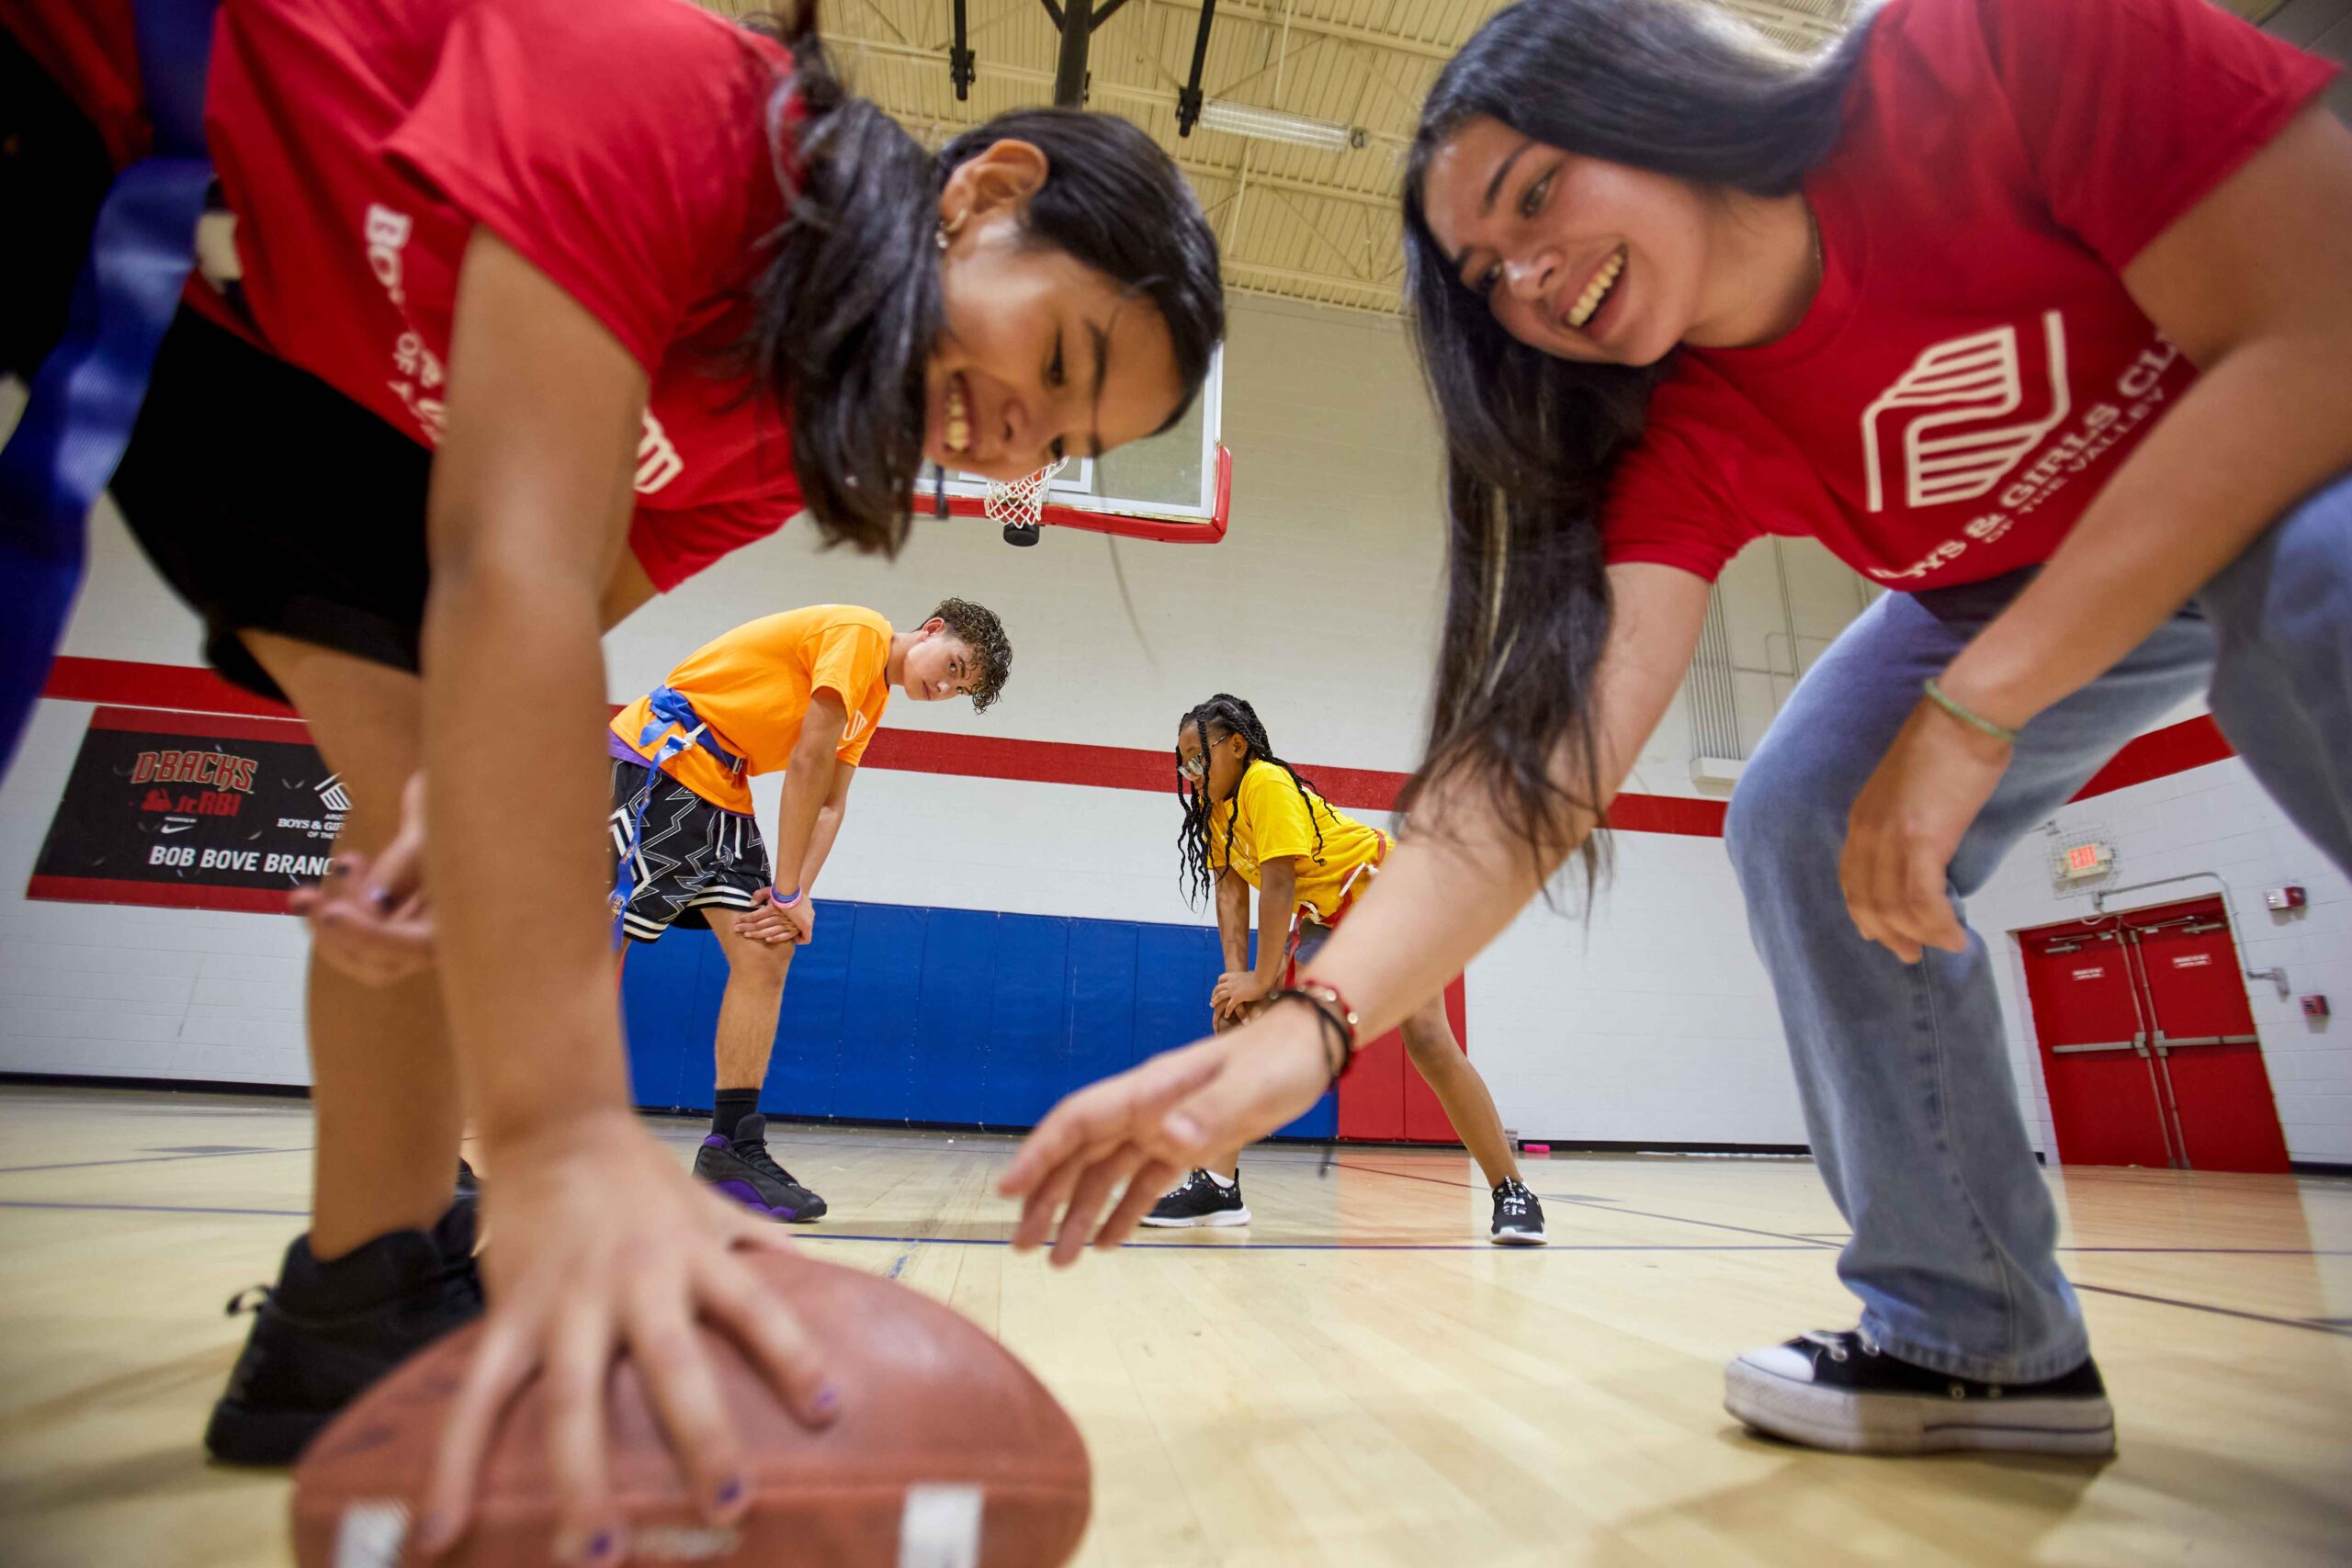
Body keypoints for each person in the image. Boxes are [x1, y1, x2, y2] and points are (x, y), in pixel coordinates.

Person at [995, 0, 2352, 1461]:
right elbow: (1543, 764)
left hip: (2292, 440)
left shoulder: (1996, 46)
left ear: (1651, 92)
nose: (1528, 273)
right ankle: (1980, 1334)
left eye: (1534, 196)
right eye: (1487, 271)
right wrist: (1311, 1029)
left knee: (2313, 579)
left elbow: (2317, 333)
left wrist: (1978, 705)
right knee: (1802, 812)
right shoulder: (1672, 428)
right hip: (2008, 586)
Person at [2, 0, 1220, 1549]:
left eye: (1065, 433)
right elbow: (506, 562)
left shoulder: (774, 433)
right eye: (1057, 356)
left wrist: (459, 793)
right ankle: (436, 1239)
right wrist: (563, 1138)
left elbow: (569, 603)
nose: (1020, 432)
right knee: (505, 860)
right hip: (83, 84)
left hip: (218, 317)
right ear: (983, 193)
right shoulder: (701, 116)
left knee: (463, 831)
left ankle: (358, 1298)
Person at [610, 600, 1012, 1224]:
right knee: (586, 951)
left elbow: (829, 802)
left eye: (960, 689)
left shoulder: (871, 702)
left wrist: (794, 896)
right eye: (954, 665)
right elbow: (806, 759)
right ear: (931, 629)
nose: (946, 686)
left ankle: (731, 1148)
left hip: (721, 785)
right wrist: (790, 892)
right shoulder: (861, 635)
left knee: (766, 949)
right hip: (661, 757)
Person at [1148, 694, 1544, 1243]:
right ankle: (1219, 1185)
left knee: (1428, 1039)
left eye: (1198, 758)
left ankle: (1513, 1191)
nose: (1189, 772)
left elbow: (1279, 882)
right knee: (1236, 1025)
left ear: (1236, 746)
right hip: (1325, 919)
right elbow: (1231, 894)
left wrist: (1262, 979)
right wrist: (1238, 986)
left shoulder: (1264, 783)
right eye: (1182, 762)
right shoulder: (1218, 813)